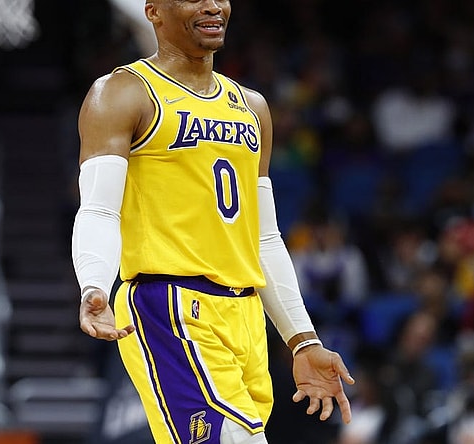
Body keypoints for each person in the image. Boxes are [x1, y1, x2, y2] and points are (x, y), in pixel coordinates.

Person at [71, 1, 355, 443]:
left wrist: (302, 339)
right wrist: (94, 283)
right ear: (154, 11)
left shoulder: (252, 107)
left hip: (245, 315)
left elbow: (263, 237)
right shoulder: (124, 92)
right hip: (170, 304)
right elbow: (99, 209)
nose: (212, 5)